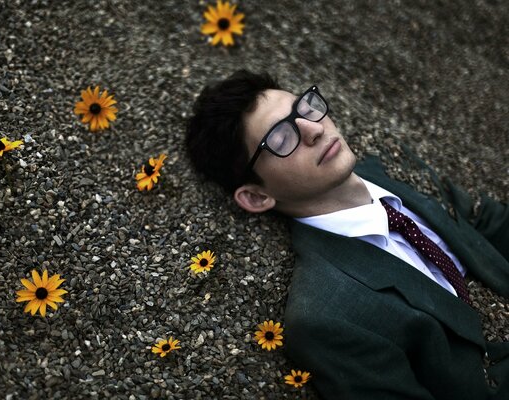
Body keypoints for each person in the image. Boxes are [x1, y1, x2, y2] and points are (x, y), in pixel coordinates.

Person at [185, 70, 509, 400]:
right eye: (282, 138)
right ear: (257, 196)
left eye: (305, 108)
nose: (314, 129)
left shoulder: (395, 163)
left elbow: (486, 223)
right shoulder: (328, 315)